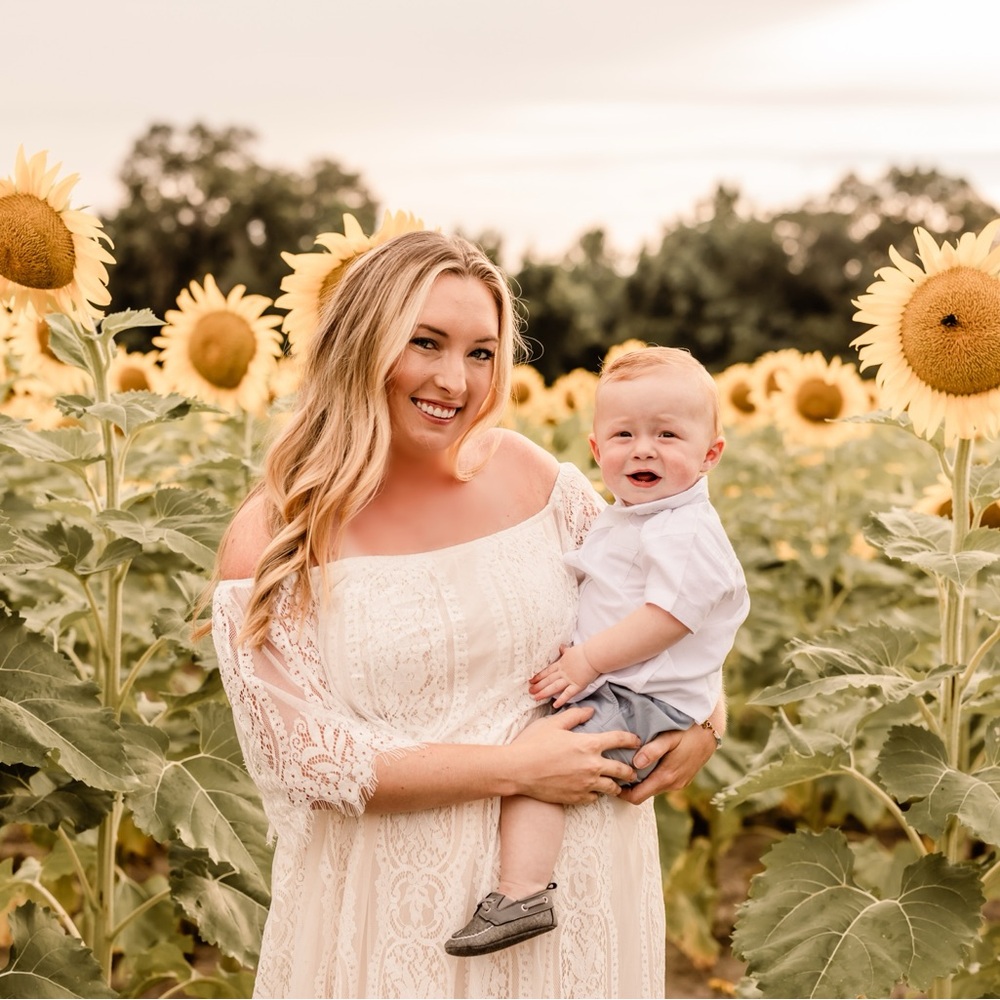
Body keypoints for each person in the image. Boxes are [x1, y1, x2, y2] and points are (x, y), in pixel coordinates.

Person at [210, 230, 723, 999]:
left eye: (482, 352)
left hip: (584, 898)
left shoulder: (534, 479)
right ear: (362, 344)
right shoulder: (278, 533)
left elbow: (669, 598)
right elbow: (303, 758)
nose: (455, 379)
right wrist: (517, 768)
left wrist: (708, 719)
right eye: (426, 343)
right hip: (400, 921)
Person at [445, 347, 748, 958]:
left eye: (667, 434)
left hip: (640, 701)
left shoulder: (682, 530)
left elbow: (669, 618)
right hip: (631, 690)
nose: (643, 449)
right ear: (595, 449)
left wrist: (586, 660)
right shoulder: (636, 515)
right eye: (624, 434)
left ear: (710, 454)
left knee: (540, 771)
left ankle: (522, 894)